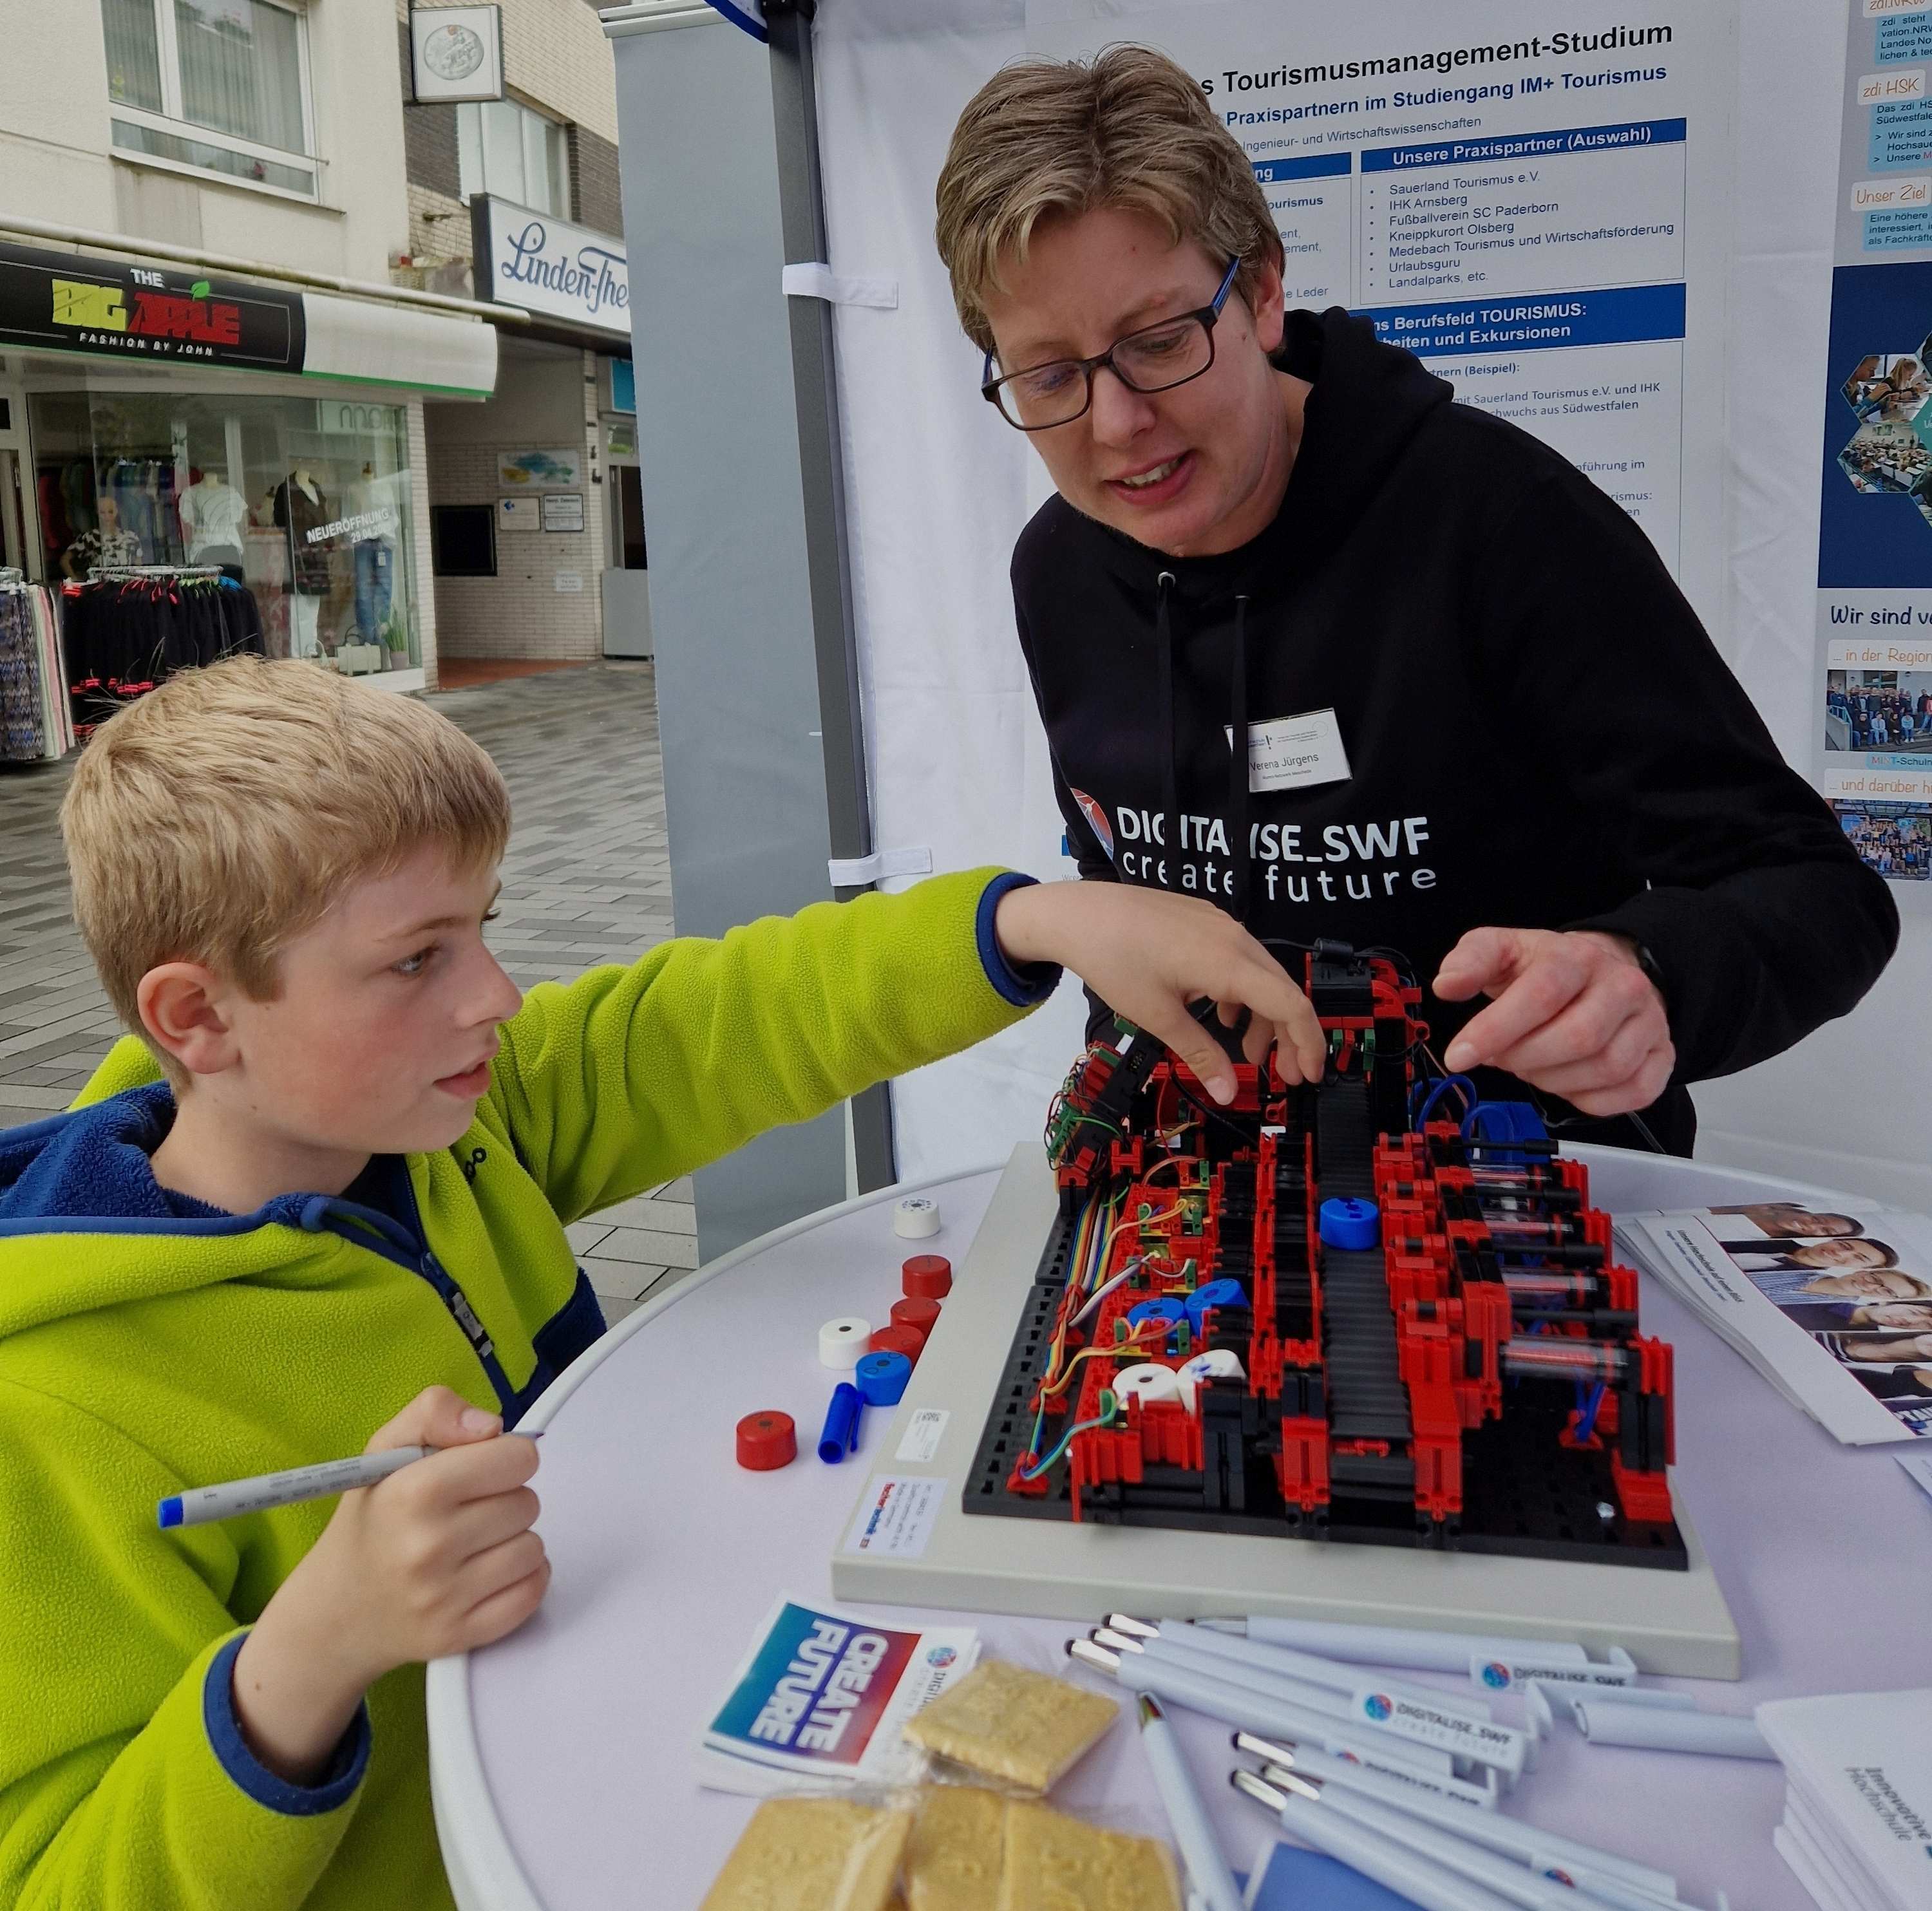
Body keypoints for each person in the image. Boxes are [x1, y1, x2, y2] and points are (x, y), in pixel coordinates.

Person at [0, 657, 1327, 1910]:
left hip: (630, 1751)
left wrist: (1034, 916)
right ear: (196, 1018)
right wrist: (307, 1657)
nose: (499, 997)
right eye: (419, 960)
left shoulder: (438, 1120)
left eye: (482, 932)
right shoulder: (52, 1408)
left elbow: (710, 1018)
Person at [933, 47, 1897, 1153]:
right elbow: (1119, 878)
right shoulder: (1055, 569)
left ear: (1260, 293)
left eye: (1160, 342)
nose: (1116, 425)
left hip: (1512, 1213)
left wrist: (1652, 974)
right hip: (1201, 1225)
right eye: (1050, 375)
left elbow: (1816, 892)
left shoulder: (1504, 523)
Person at [1747, 1263, 1929, 1306]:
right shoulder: (1793, 1266)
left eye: (1887, 1291)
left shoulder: (1835, 1314)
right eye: (1875, 1279)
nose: (1871, 1287)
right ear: (1863, 1271)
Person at [1726, 1236, 1898, 1274]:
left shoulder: (1803, 1280)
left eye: (1859, 1258)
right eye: (1844, 1245)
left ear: (1859, 1269)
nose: (1839, 1252)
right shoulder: (1774, 1239)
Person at [1708, 1203, 1863, 1238]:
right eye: (1817, 1218)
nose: (1812, 1224)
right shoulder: (1759, 1205)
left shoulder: (1761, 1243)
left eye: (1825, 1231)